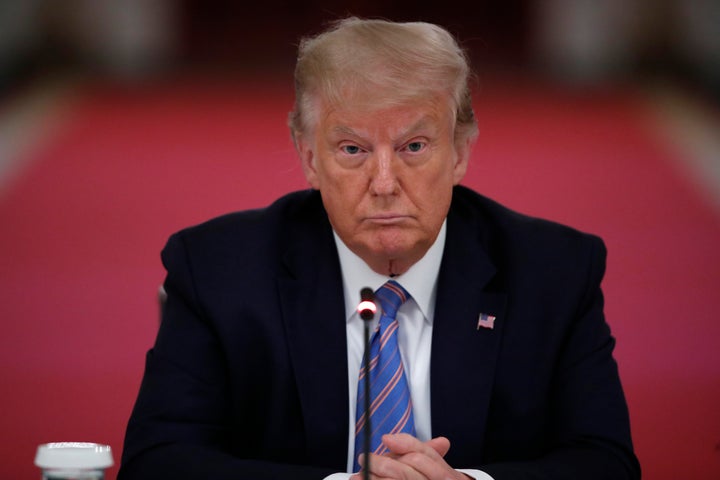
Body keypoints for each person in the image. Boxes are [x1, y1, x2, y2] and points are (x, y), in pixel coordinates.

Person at [118, 17, 641, 480]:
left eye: (414, 146)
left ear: (459, 153)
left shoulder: (553, 272)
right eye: (353, 149)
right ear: (308, 157)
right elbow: (157, 462)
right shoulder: (218, 271)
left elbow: (605, 463)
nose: (384, 182)